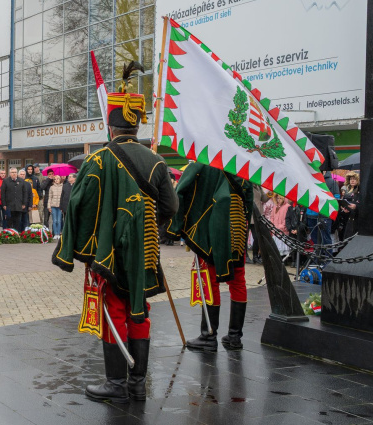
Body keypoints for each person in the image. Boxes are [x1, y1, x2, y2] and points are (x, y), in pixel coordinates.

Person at [53, 66, 178, 404]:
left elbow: (79, 206)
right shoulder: (156, 161)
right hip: (146, 247)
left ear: (111, 124)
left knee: (115, 309)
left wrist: (82, 248)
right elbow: (170, 206)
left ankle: (117, 384)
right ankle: (138, 383)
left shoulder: (99, 159)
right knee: (139, 309)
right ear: (136, 124)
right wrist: (147, 225)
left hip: (108, 251)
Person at [167, 162, 252, 352]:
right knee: (238, 280)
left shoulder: (204, 162)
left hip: (214, 226)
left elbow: (179, 191)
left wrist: (176, 227)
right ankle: (234, 337)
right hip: (237, 224)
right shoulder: (241, 164)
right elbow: (249, 198)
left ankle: (208, 335)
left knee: (209, 280)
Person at [338, 172, 360, 240]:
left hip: (357, 219)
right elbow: (345, 201)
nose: (352, 181)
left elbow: (365, 204)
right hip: (348, 218)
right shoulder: (348, 191)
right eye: (351, 179)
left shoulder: (360, 190)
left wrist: (356, 206)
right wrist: (343, 207)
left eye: (354, 179)